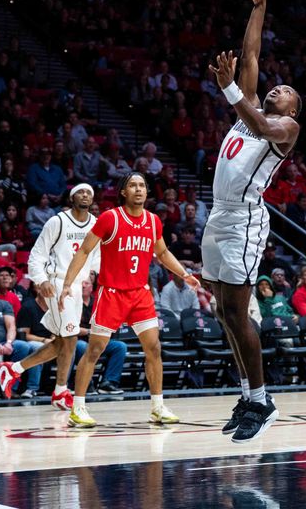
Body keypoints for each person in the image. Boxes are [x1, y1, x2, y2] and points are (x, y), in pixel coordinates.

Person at [204, 0, 302, 443]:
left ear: (293, 109)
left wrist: (230, 91)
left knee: (240, 314)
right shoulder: (253, 111)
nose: (278, 87)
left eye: (287, 92)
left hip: (244, 220)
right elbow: (252, 53)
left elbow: (261, 126)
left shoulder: (283, 129)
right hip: (217, 215)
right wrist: (258, 7)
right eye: (276, 86)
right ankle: (246, 394)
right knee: (223, 312)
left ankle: (262, 400)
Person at [59, 172, 198, 427]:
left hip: (140, 294)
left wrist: (184, 274)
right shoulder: (109, 218)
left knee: (154, 348)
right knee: (95, 350)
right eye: (133, 185)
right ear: (123, 191)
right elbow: (85, 250)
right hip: (111, 293)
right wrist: (68, 284)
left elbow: (163, 252)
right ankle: (77, 408)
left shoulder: (154, 220)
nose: (138, 189)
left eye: (142, 185)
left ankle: (157, 407)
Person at [0, 184, 98, 410]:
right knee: (71, 338)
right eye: (81, 192)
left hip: (77, 284)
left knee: (63, 341)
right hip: (57, 283)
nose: (85, 195)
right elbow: (37, 255)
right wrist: (41, 281)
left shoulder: (95, 224)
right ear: (72, 198)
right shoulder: (58, 221)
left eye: (89, 193)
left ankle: (14, 369)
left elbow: (96, 257)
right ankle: (61, 391)